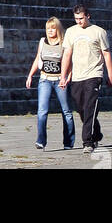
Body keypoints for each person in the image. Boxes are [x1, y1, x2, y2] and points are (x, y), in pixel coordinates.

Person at [60, 2, 112, 153]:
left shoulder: (99, 32)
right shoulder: (70, 32)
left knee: (90, 106)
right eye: (76, 19)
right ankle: (96, 133)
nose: (79, 21)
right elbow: (67, 55)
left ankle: (87, 142)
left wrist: (110, 74)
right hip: (77, 75)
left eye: (81, 18)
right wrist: (63, 76)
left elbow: (106, 54)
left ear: (88, 16)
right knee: (82, 109)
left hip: (94, 74)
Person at [25, 16, 75, 150]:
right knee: (42, 111)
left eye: (53, 28)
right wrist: (30, 75)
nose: (50, 31)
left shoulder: (64, 43)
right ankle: (41, 140)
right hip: (45, 79)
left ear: (58, 29)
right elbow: (37, 58)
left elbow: (69, 62)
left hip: (60, 80)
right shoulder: (42, 41)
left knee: (66, 112)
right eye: (48, 29)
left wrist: (68, 77)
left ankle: (69, 142)